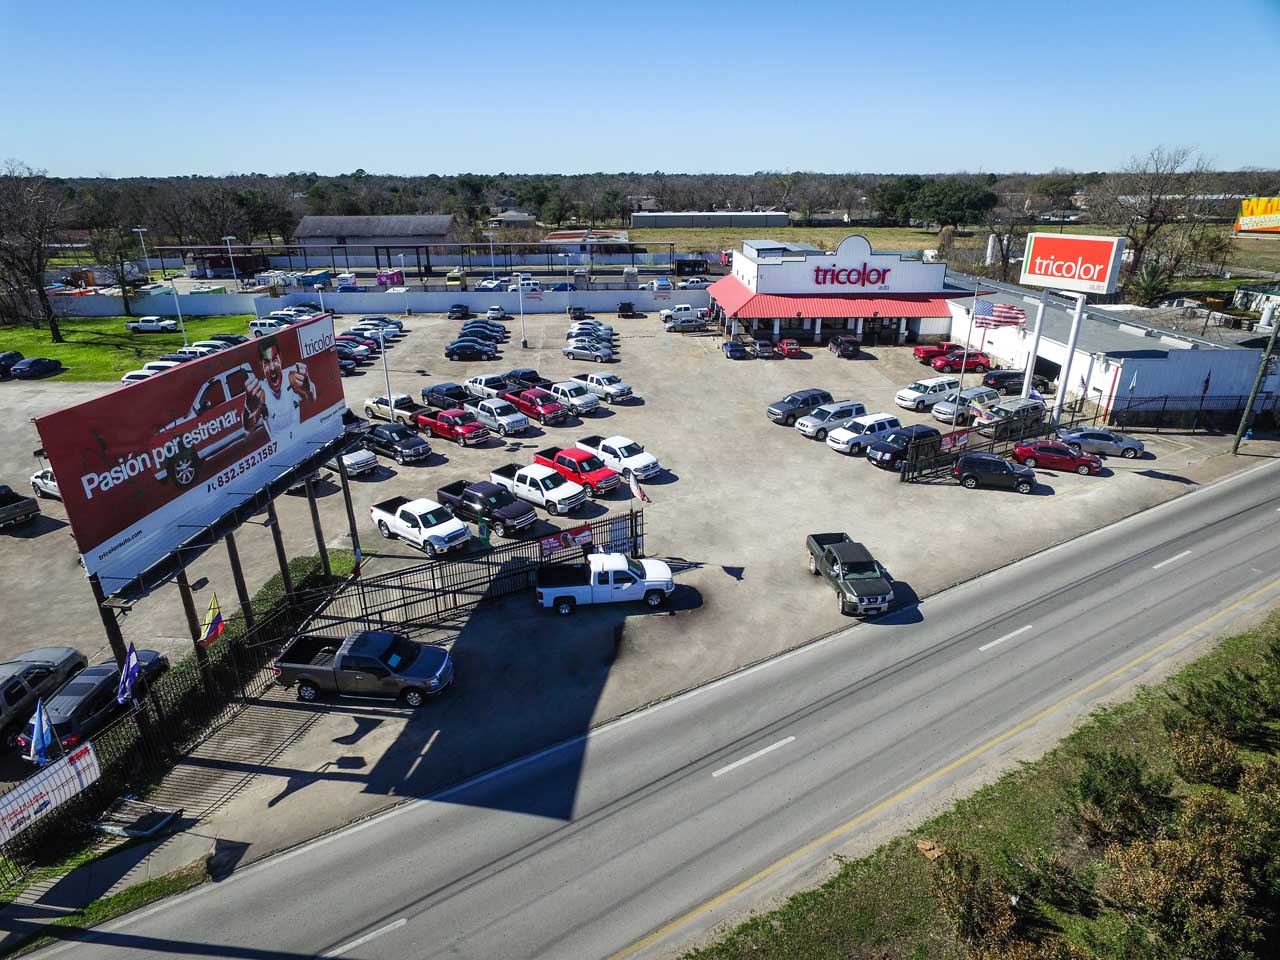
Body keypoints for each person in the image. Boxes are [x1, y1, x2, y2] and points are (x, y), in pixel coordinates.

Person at [245, 338, 315, 441]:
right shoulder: (260, 391)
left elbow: (312, 398)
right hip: (280, 450)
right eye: (267, 362)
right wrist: (249, 409)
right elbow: (249, 428)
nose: (272, 367)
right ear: (261, 365)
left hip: (299, 440)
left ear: (280, 358)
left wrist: (308, 387)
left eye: (274, 359)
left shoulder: (291, 378)